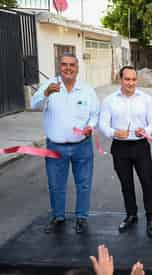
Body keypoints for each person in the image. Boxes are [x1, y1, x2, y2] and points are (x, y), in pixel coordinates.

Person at [31, 53, 99, 234]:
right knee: (55, 184)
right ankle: (58, 217)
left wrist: (90, 126)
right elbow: (34, 104)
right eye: (64, 64)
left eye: (72, 65)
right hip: (55, 146)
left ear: (77, 68)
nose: (68, 68)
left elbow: (95, 114)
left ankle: (82, 218)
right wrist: (46, 93)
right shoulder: (50, 86)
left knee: (83, 184)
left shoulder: (86, 90)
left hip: (82, 146)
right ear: (59, 66)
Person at [99, 66, 152, 238]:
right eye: (127, 79)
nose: (130, 83)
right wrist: (113, 132)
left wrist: (146, 130)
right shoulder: (109, 100)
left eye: (133, 79)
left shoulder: (146, 99)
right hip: (119, 147)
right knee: (126, 184)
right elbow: (102, 124)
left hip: (141, 146)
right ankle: (131, 214)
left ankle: (151, 217)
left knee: (147, 182)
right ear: (120, 79)